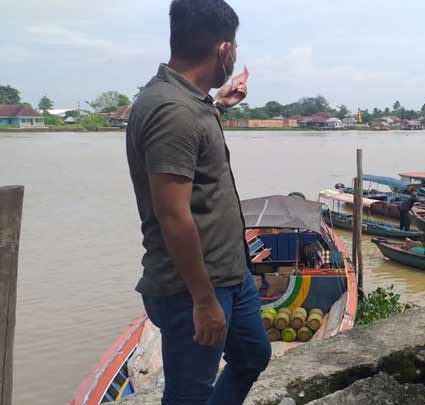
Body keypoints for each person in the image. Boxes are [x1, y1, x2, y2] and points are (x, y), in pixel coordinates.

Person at [125, 1, 270, 403]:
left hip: (229, 273)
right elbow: (173, 215)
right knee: (189, 394)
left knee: (253, 356)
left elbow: (192, 141)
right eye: (235, 47)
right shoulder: (173, 111)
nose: (235, 54)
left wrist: (220, 103)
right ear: (224, 51)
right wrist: (204, 302)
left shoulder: (190, 102)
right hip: (193, 287)